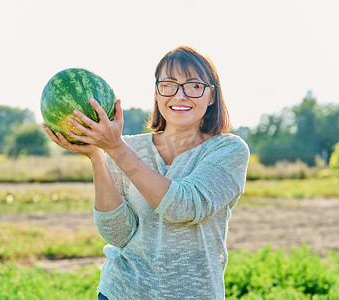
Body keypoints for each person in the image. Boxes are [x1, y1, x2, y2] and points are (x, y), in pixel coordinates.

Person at [43, 45, 249, 300]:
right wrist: (97, 155)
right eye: (169, 85)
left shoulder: (228, 150)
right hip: (121, 292)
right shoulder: (130, 148)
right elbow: (118, 233)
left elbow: (183, 207)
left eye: (194, 86)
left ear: (212, 96)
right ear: (157, 93)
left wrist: (115, 148)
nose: (180, 95)